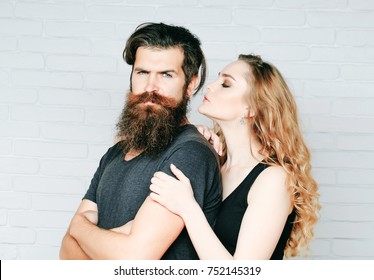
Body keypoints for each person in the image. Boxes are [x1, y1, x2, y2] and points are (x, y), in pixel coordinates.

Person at [59, 22, 222, 260]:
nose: (150, 87)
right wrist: (112, 242)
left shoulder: (190, 153)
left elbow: (135, 258)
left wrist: (78, 227)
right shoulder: (114, 154)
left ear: (191, 84)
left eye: (166, 75)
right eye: (142, 72)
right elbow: (67, 254)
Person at [149, 54, 320, 259]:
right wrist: (190, 139)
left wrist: (188, 208)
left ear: (251, 108)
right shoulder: (213, 161)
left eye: (226, 84)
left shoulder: (274, 180)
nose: (210, 86)